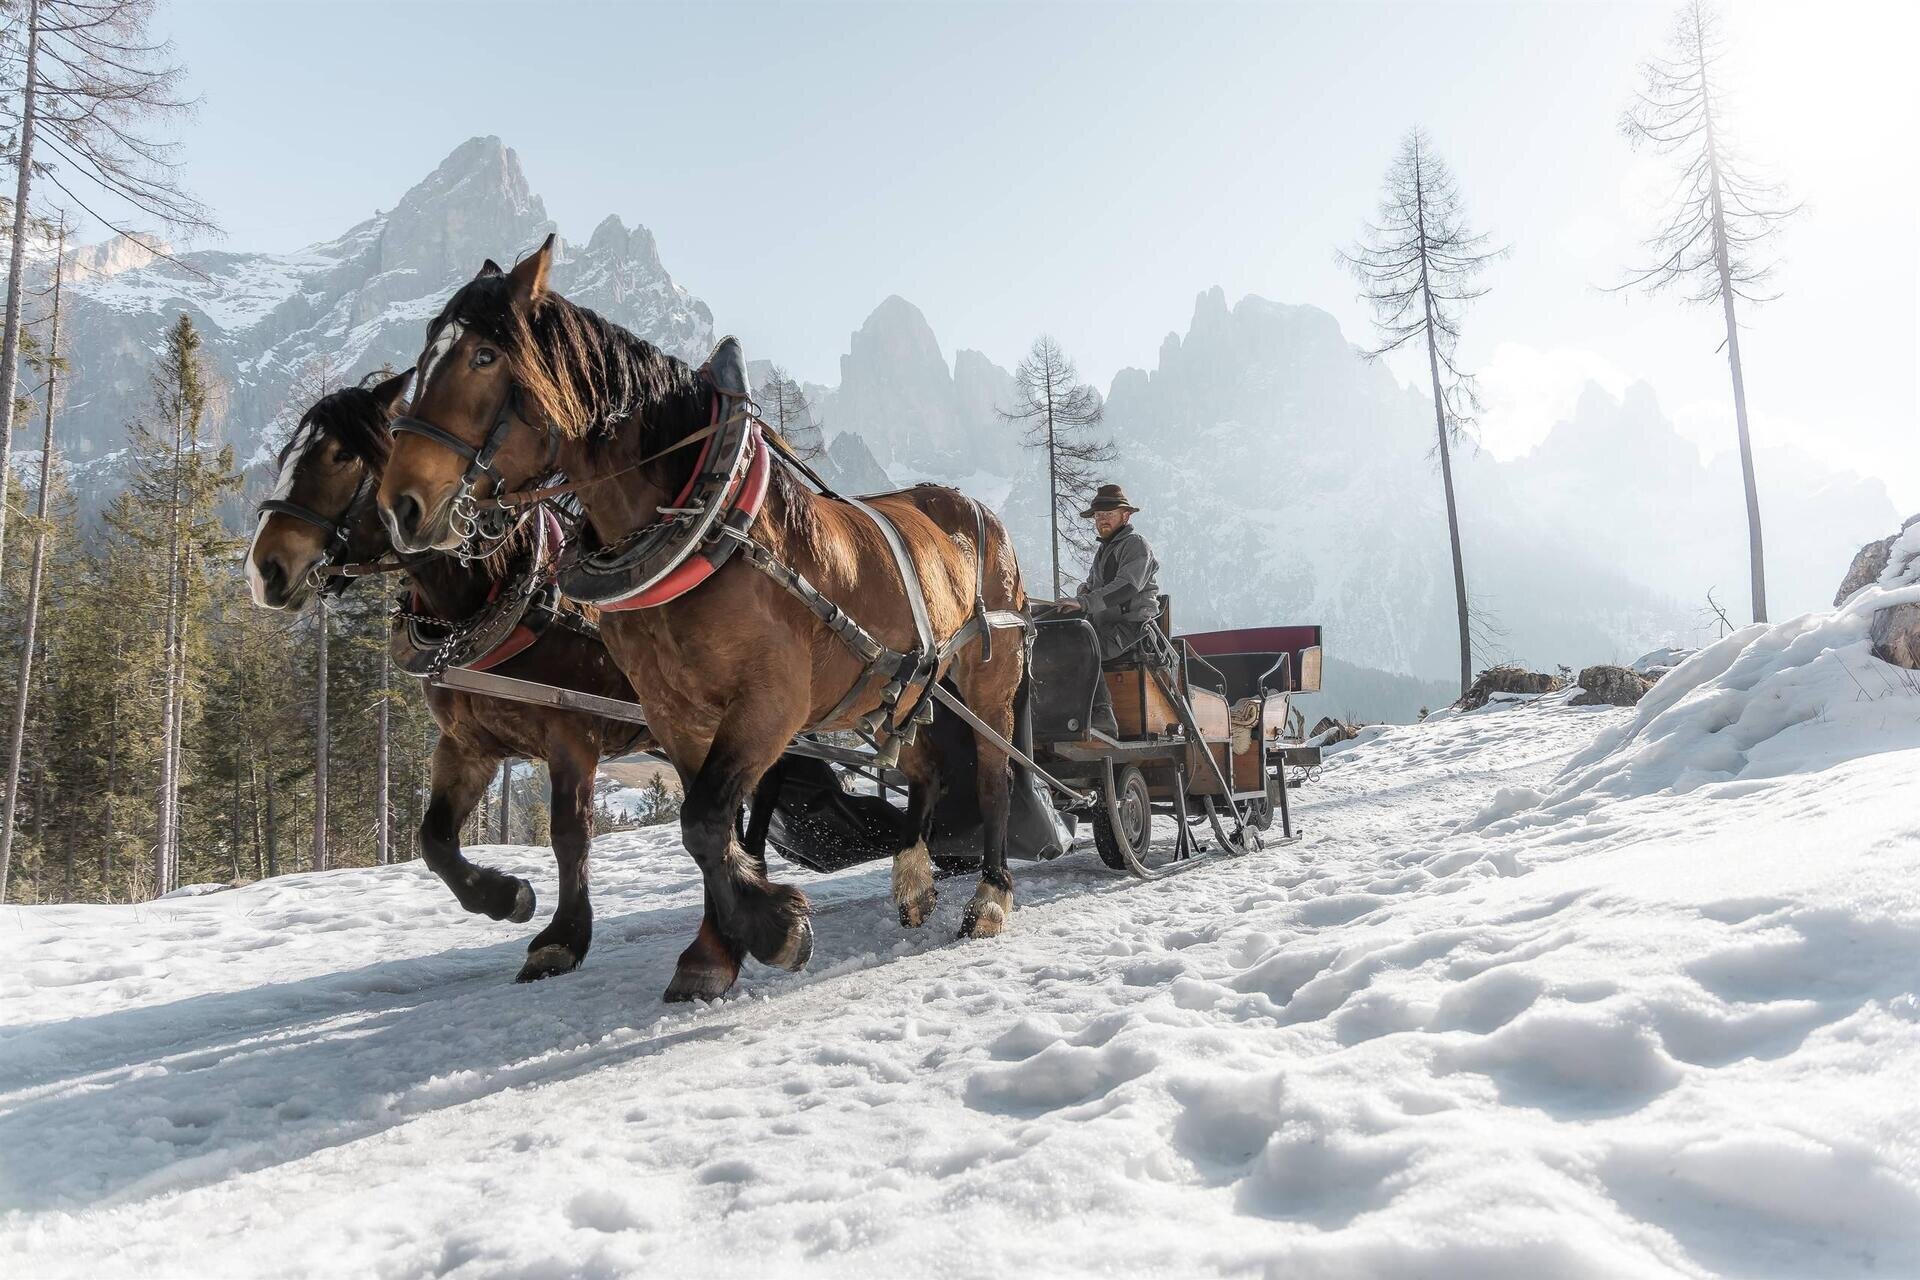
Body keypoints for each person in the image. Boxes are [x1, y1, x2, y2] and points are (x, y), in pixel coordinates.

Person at [1054, 483, 1160, 736]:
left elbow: (1126, 587)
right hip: (1105, 627)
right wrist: (1081, 596)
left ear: (1126, 516)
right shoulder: (1104, 550)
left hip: (1133, 629)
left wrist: (1085, 602)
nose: (1102, 520)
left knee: (1082, 649)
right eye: (1098, 516)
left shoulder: (1136, 545)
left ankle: (1102, 714)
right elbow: (1093, 588)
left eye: (1108, 514)